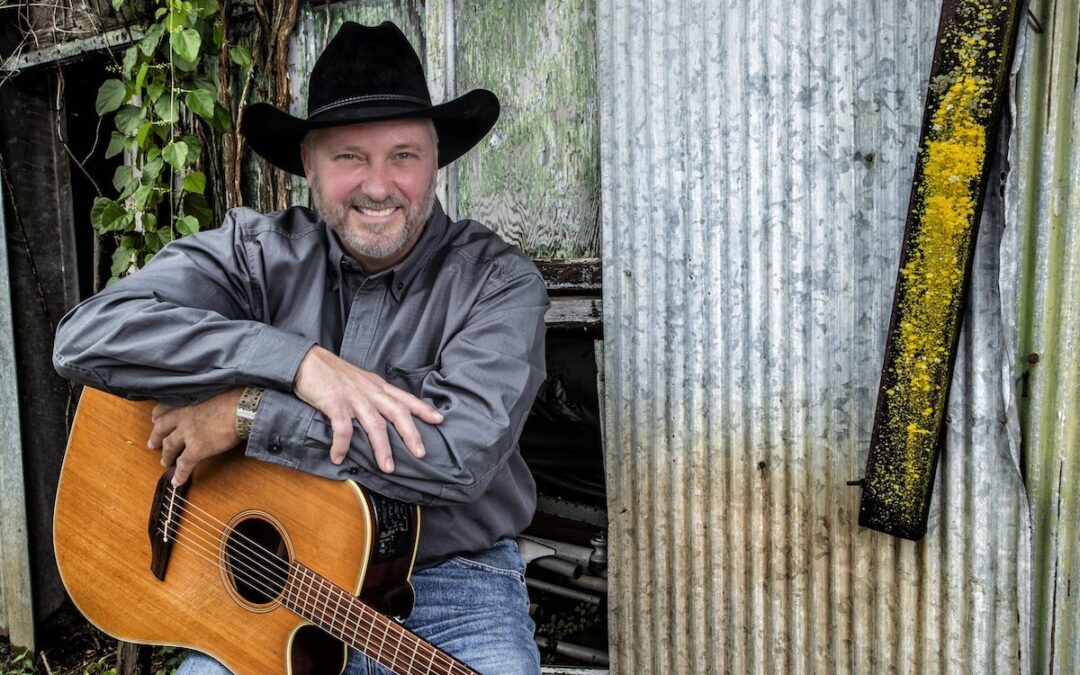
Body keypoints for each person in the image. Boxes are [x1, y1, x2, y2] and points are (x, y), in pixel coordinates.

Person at [53, 20, 547, 675]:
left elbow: (459, 454)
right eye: (349, 157)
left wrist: (248, 414)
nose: (378, 185)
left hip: (452, 586)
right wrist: (297, 363)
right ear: (309, 164)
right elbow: (86, 339)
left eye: (403, 154)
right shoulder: (254, 254)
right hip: (271, 586)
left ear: (435, 161)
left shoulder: (497, 283)